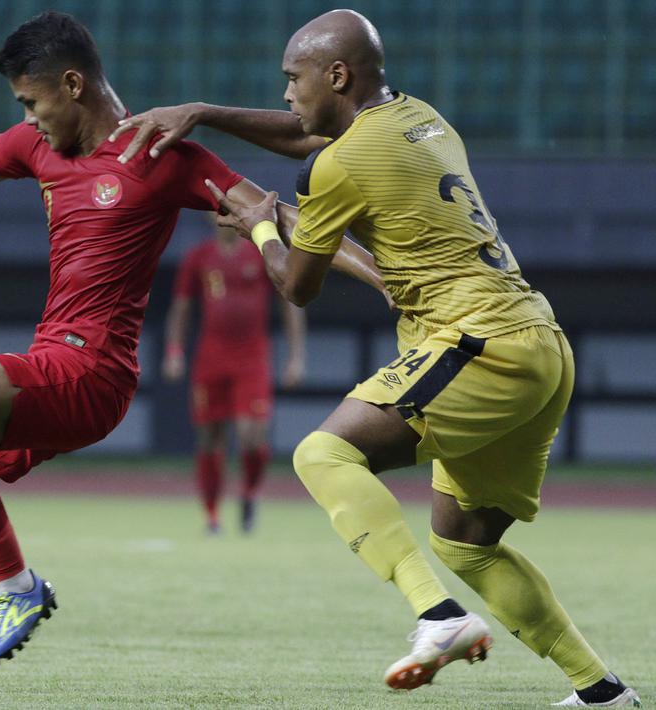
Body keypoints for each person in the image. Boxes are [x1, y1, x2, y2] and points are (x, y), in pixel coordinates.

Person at [0, 11, 386, 688]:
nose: (29, 119)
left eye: (32, 103)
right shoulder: (36, 148)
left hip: (91, 373)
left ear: (72, 85)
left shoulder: (159, 157)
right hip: (51, 364)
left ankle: (14, 587)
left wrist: (384, 277)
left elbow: (282, 215)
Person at [114, 9, 641, 707]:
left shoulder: (339, 164)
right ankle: (600, 692)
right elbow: (314, 144)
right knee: (464, 545)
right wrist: (207, 114)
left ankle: (438, 618)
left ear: (336, 74)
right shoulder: (424, 119)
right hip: (539, 345)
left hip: (478, 344)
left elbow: (296, 287)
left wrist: (262, 226)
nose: (284, 94)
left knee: (321, 455)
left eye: (291, 79)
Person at [163, 217, 306, 534]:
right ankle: (212, 514)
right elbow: (182, 307)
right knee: (210, 436)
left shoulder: (262, 253)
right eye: (217, 212)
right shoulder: (199, 257)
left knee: (251, 434)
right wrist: (174, 351)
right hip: (211, 357)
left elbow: (290, 301)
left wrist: (296, 356)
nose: (223, 218)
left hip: (252, 358)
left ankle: (249, 492)